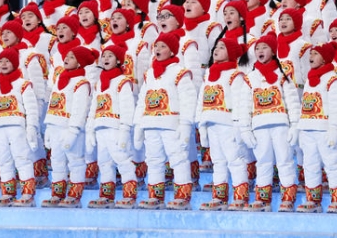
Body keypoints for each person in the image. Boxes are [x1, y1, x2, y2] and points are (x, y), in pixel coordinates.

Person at [133, 32, 197, 210]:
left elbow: (188, 100)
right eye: (156, 46)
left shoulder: (180, 73)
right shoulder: (149, 74)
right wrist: (138, 125)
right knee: (153, 160)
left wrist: (185, 125)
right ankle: (155, 196)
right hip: (150, 124)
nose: (158, 49)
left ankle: (183, 197)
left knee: (178, 158)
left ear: (172, 51)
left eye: (163, 46)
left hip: (171, 124)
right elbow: (142, 100)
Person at [242, 33, 301, 212]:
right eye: (257, 48)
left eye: (264, 47)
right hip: (259, 126)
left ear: (273, 51)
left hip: (280, 125)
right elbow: (245, 105)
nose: (260, 51)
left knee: (284, 160)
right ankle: (262, 199)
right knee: (263, 161)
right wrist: (245, 129)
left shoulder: (282, 74)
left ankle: (288, 198)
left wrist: (295, 125)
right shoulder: (250, 77)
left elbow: (292, 102)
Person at [0, 47, 40, 207]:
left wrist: (31, 128)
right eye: (1, 61)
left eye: (7, 61)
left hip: (17, 128)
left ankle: (28, 193)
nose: (4, 64)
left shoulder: (23, 84)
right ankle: (8, 193)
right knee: (3, 160)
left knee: (22, 158)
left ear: (14, 63)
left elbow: (31, 109)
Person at [196, 37, 251, 211]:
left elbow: (239, 102)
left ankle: (240, 196)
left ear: (232, 53)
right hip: (211, 123)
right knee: (218, 161)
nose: (216, 49)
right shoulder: (208, 74)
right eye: (216, 47)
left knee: (234, 159)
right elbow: (201, 100)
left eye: (222, 47)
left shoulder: (235, 75)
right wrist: (200, 123)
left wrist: (238, 125)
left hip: (228, 124)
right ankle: (219, 197)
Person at [41, 46, 96, 208]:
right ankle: (57, 193)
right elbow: (53, 103)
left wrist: (73, 130)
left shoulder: (81, 83)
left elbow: (80, 109)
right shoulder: (60, 78)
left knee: (75, 161)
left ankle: (74, 195)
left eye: (72, 57)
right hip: (55, 126)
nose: (66, 58)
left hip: (70, 129)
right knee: (56, 160)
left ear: (79, 63)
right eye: (67, 56)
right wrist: (48, 128)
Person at [296, 42, 337, 213]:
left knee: (332, 164)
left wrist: (335, 129)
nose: (311, 56)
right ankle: (313, 200)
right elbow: (305, 104)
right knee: (310, 165)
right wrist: (300, 128)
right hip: (308, 128)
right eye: (311, 53)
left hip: (325, 130)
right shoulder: (309, 79)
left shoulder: (333, 79)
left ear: (324, 59)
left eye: (315, 54)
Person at [86, 44, 138, 209]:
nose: (106, 58)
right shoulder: (99, 83)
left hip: (115, 128)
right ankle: (106, 195)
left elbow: (127, 108)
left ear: (118, 60)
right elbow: (93, 107)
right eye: (104, 55)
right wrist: (90, 130)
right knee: (104, 162)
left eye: (110, 56)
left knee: (122, 159)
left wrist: (125, 130)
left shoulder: (122, 82)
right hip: (100, 127)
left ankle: (129, 195)